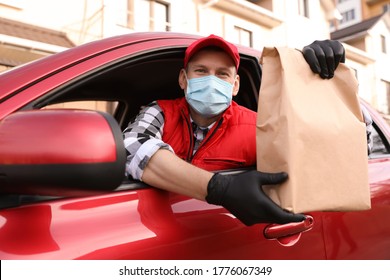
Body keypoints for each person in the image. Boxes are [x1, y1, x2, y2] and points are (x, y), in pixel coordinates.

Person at [124, 34, 370, 226]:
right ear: (183, 79)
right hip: (152, 233)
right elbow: (132, 147)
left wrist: (321, 84)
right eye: (201, 71)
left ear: (235, 85)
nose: (211, 80)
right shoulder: (160, 112)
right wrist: (220, 189)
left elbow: (339, 151)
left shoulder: (261, 127)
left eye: (222, 74)